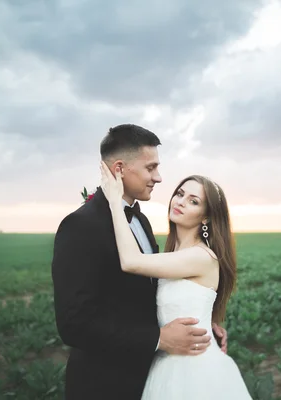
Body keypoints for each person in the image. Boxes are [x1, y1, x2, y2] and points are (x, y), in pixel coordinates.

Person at [51, 124, 229, 400]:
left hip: (154, 377)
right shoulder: (80, 226)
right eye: (151, 168)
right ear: (120, 169)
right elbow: (74, 324)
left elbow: (148, 294)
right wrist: (159, 339)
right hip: (105, 385)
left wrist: (204, 324)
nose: (158, 178)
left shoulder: (141, 221)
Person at [99, 162, 252, 399]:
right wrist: (208, 323)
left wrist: (114, 201)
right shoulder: (173, 256)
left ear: (206, 218)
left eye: (194, 201)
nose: (180, 201)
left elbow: (130, 261)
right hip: (166, 365)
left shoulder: (202, 257)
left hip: (196, 371)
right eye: (180, 194)